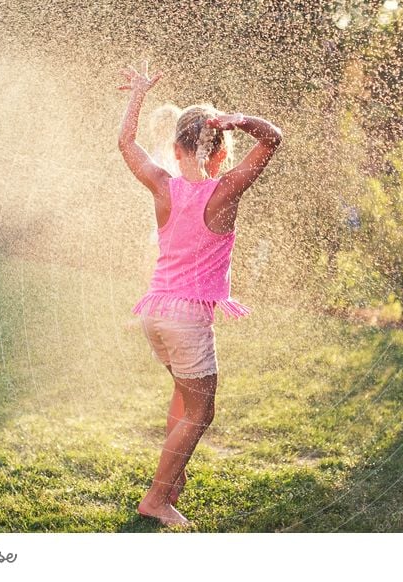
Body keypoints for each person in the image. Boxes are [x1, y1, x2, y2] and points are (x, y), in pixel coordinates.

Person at [117, 60, 283, 527]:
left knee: (185, 396)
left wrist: (138, 95)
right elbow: (274, 139)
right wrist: (243, 120)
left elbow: (125, 143)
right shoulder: (225, 189)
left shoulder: (161, 184)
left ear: (175, 147)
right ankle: (157, 497)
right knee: (202, 410)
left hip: (154, 312)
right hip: (187, 318)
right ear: (221, 152)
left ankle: (173, 478)